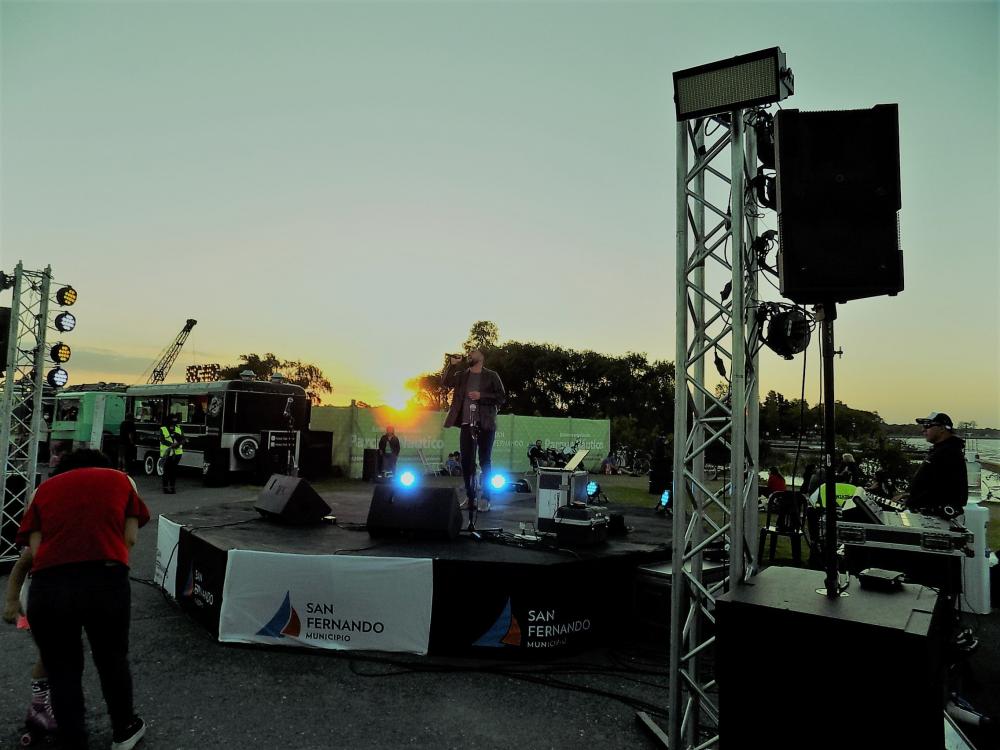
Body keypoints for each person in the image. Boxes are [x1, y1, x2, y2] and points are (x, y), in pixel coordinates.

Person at [15, 448, 150, 750]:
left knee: (62, 667)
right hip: (105, 580)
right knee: (111, 658)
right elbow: (130, 537)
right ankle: (124, 730)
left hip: (49, 587)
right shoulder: (120, 480)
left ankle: (73, 739)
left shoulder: (42, 491)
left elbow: (36, 549)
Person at [442, 350, 506, 528]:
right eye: (468, 354)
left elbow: (501, 397)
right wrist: (452, 365)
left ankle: (486, 498)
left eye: (473, 353)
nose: (469, 355)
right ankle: (471, 498)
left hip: (485, 424)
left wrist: (481, 395)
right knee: (467, 462)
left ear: (481, 357)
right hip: (466, 424)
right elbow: (446, 383)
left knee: (485, 460)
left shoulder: (492, 376)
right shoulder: (461, 375)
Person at [905, 411, 967, 518]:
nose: (923, 430)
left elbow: (941, 490)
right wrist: (909, 496)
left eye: (927, 426)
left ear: (942, 428)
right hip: (926, 513)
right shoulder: (940, 450)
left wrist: (913, 501)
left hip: (935, 516)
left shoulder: (949, 453)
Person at [159, 412, 184, 494]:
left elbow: (183, 439)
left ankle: (172, 487)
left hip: (177, 453)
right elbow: (162, 440)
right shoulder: (163, 429)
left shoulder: (178, 428)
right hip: (167, 453)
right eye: (173, 421)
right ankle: (166, 488)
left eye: (175, 421)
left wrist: (178, 444)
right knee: (166, 471)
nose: (174, 423)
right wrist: (172, 444)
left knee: (173, 471)